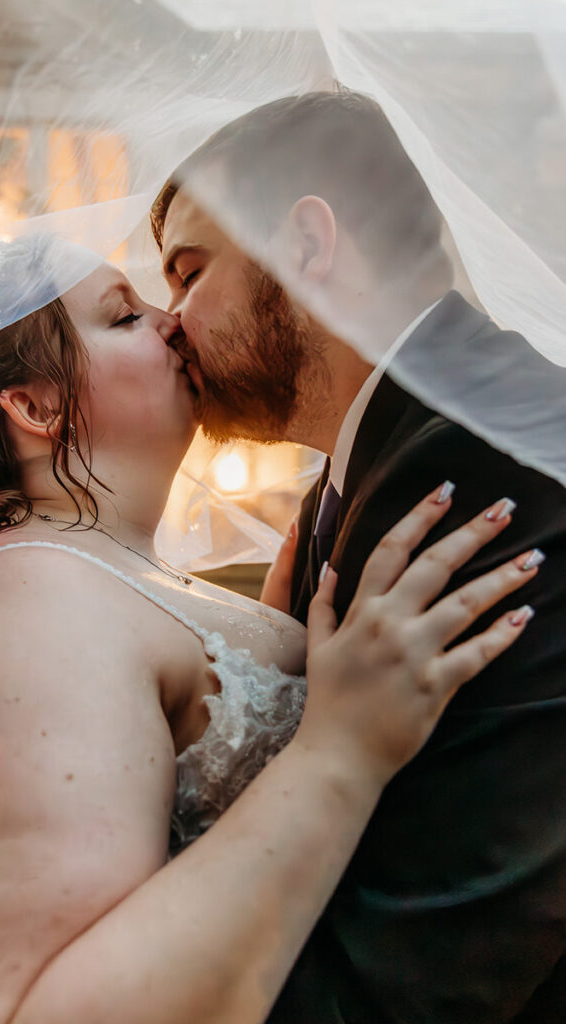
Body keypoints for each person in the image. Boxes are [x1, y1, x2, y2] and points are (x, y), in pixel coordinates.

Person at [0, 237, 539, 1024]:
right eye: (125, 315)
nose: (173, 321)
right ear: (35, 406)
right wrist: (341, 753)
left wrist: (274, 635)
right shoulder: (10, 602)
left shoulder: (80, 573)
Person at [151, 89, 566, 1021]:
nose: (169, 319)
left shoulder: (489, 467)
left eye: (189, 270)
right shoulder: (362, 475)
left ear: (305, 242)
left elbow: (450, 938)